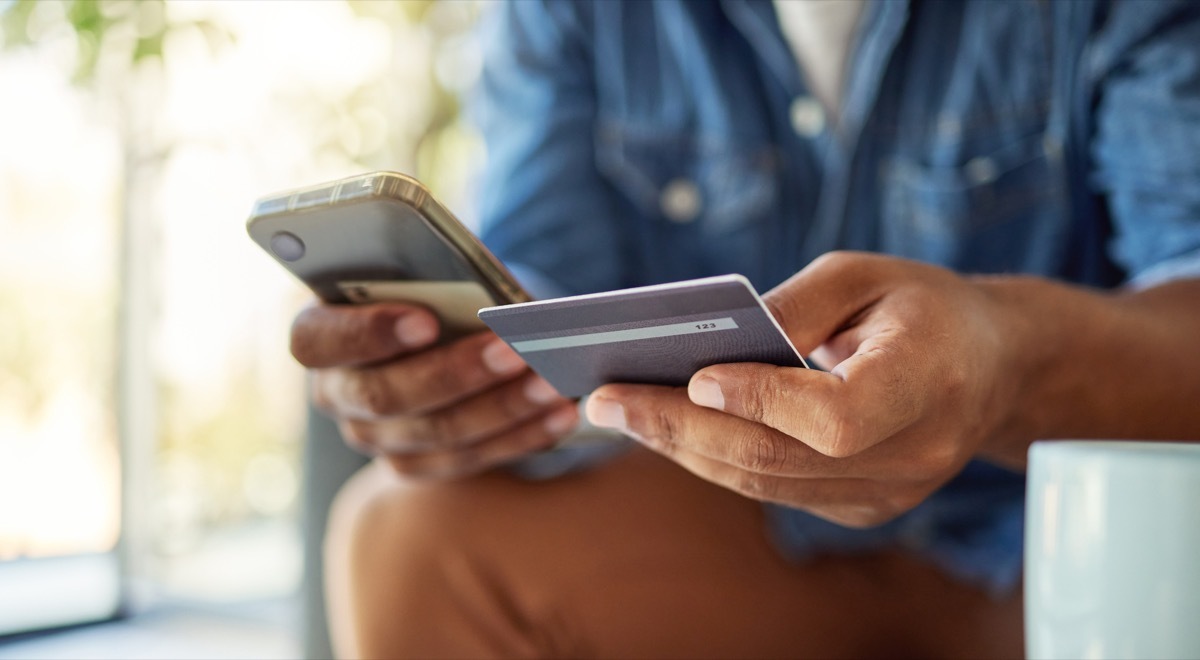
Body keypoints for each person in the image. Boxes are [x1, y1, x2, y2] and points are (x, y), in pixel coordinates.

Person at [292, 1, 1200, 657]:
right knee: (402, 537)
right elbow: (546, 284)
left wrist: (1004, 359)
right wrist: (465, 376)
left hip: (1080, 535)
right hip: (747, 533)